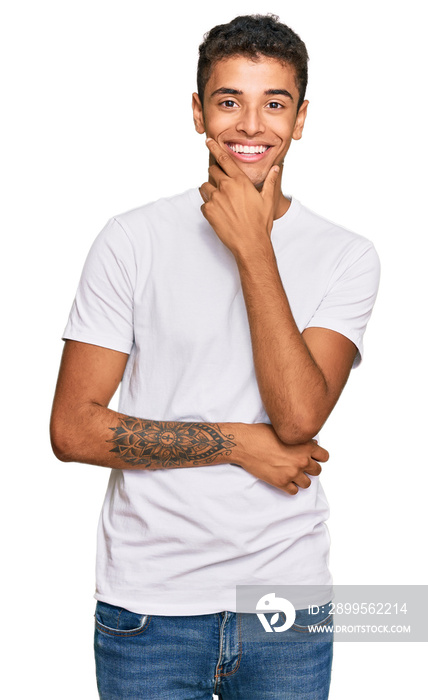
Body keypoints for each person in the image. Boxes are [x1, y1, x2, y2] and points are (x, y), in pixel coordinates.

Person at [50, 14, 380, 700]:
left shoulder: (347, 256)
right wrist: (236, 444)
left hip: (285, 606)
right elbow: (73, 430)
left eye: (275, 103)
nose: (252, 125)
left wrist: (254, 248)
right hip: (149, 607)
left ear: (302, 117)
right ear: (198, 111)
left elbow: (296, 419)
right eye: (229, 101)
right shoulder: (131, 241)